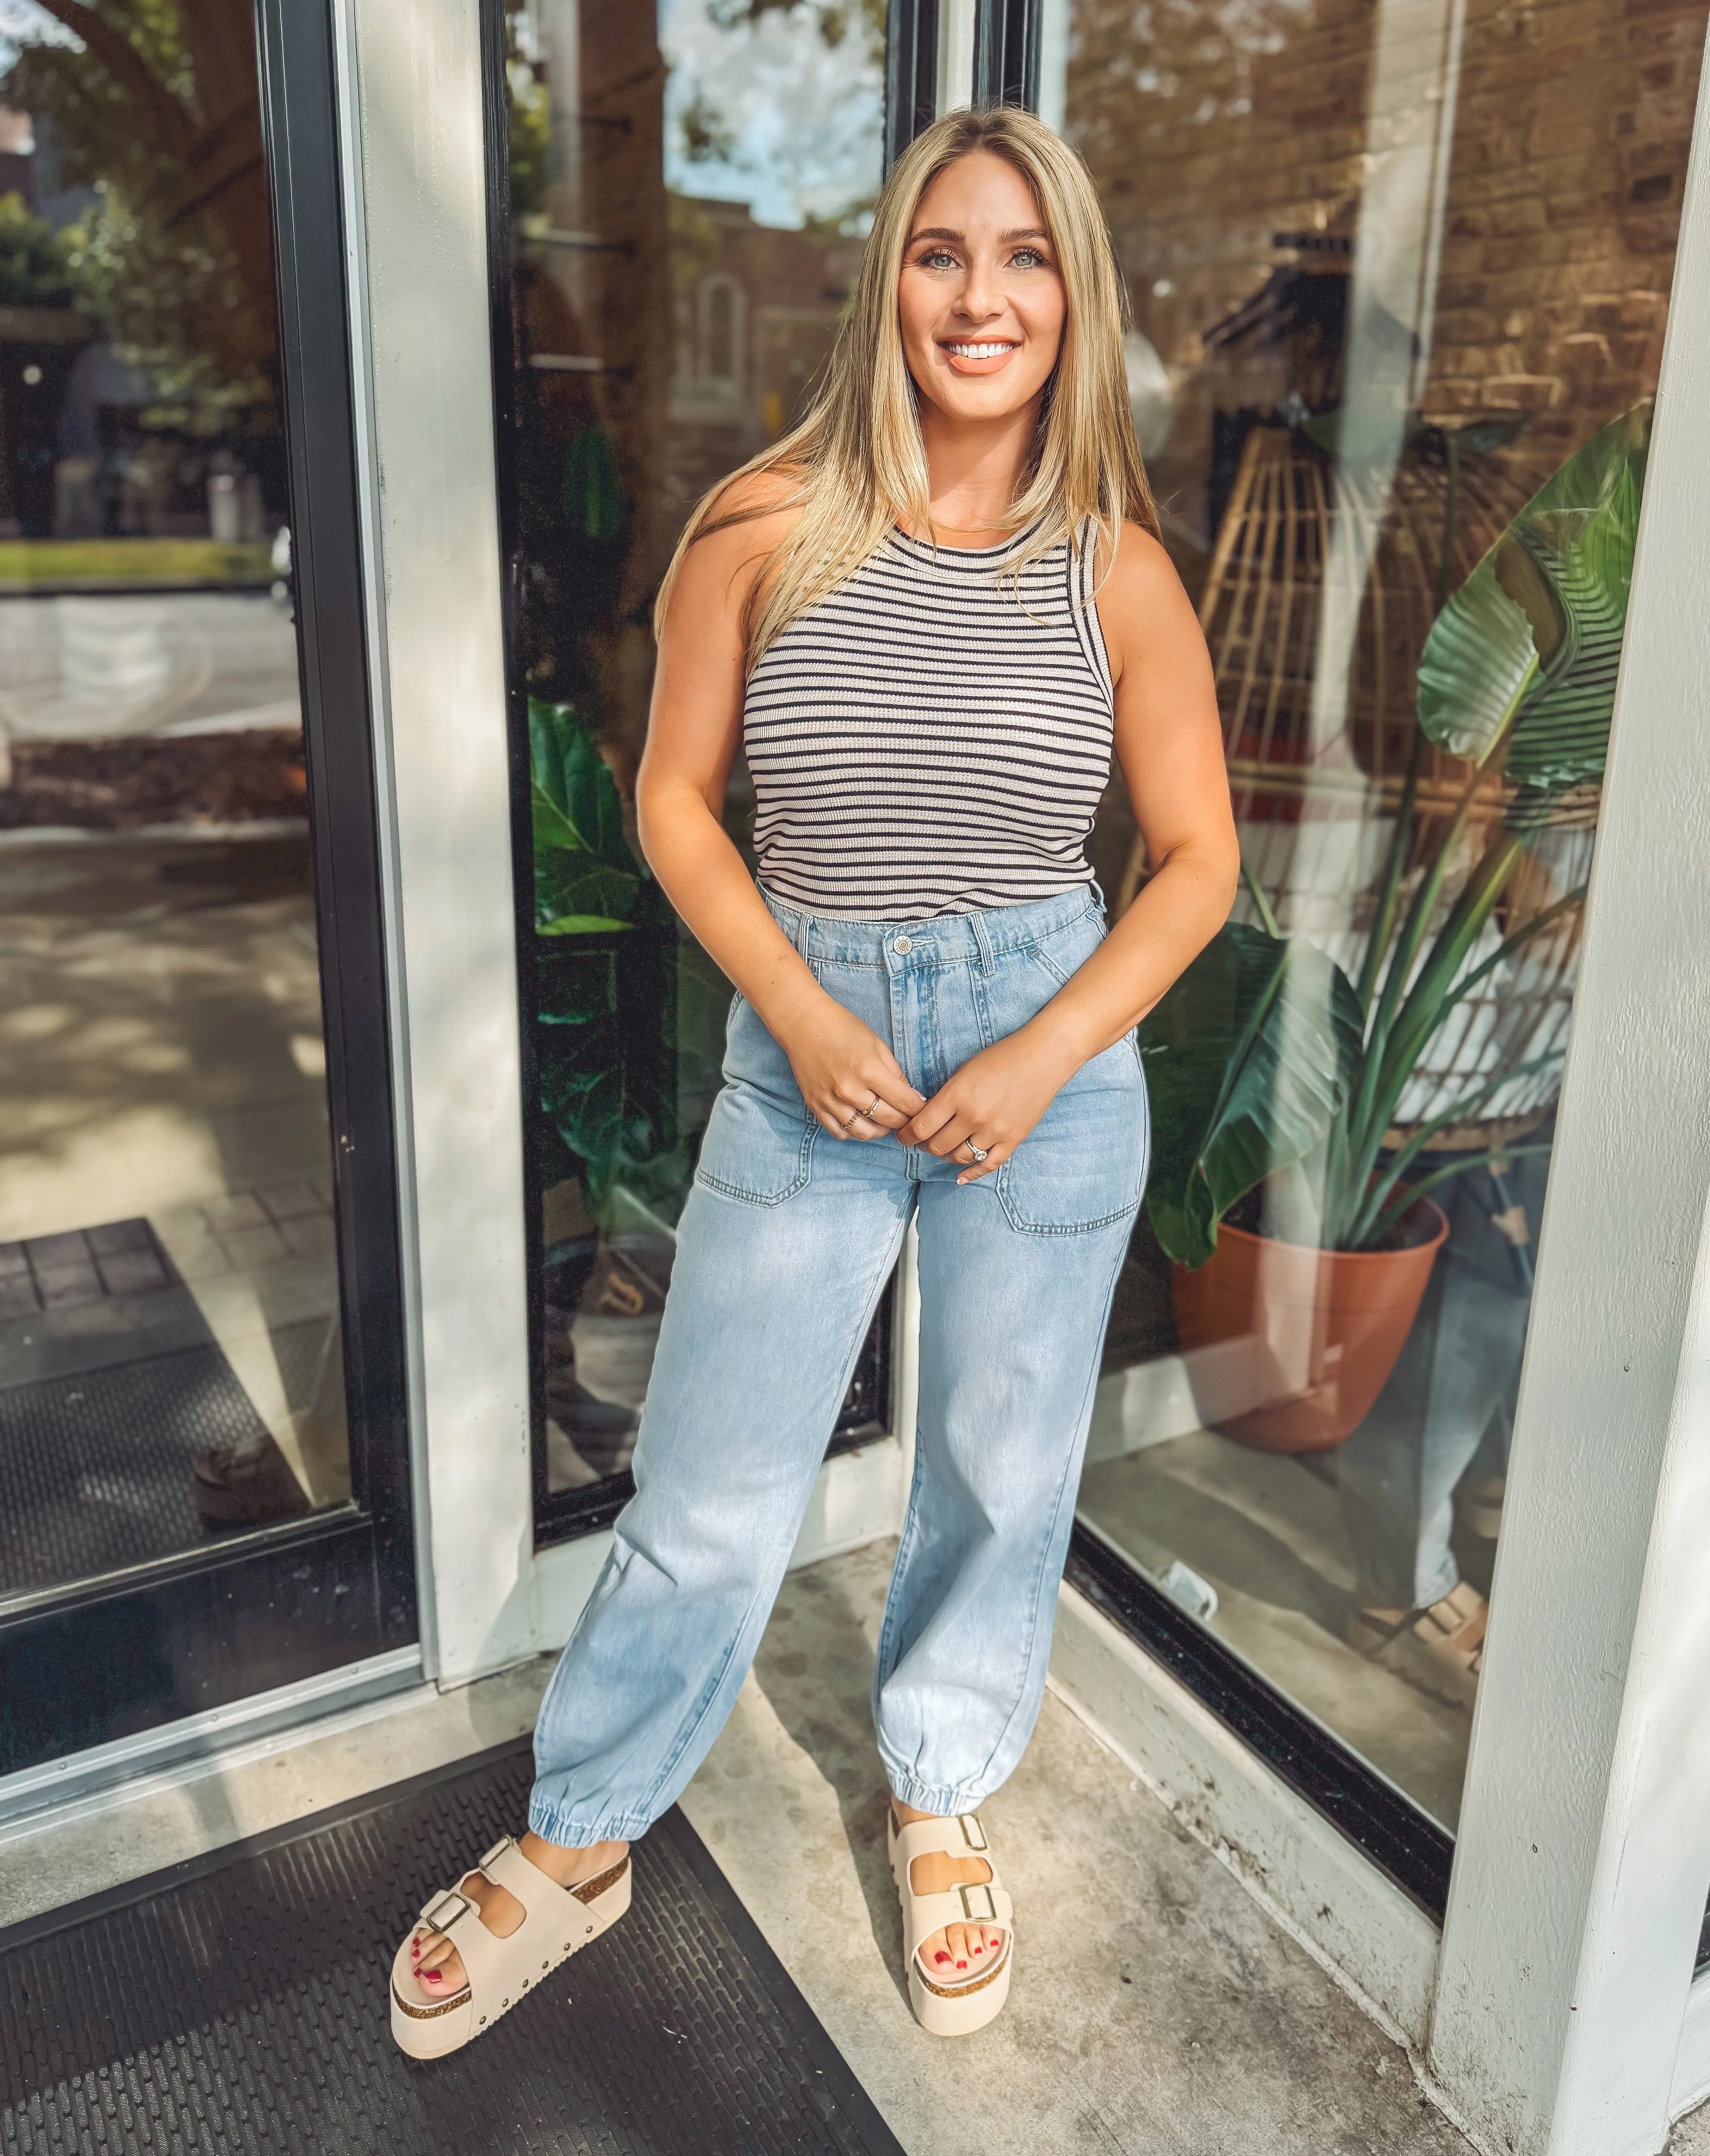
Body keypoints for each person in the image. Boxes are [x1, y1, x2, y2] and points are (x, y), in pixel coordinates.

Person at [390, 106, 1239, 2055]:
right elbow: (676, 805)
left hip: (1048, 1049)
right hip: (809, 1049)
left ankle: (938, 1786)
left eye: (1027, 257)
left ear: (1076, 300)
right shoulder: (764, 523)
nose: (983, 294)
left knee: (1003, 1476)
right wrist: (802, 1005)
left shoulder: (1116, 569)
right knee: (707, 1485)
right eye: (946, 251)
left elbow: (1201, 862)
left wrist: (1039, 1052)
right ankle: (584, 1832)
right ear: (891, 283)